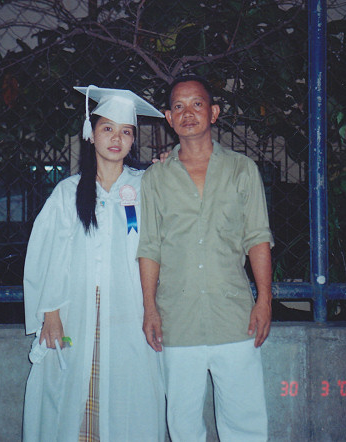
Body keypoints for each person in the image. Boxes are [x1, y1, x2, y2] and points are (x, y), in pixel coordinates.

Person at [22, 85, 166, 441]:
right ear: (91, 134)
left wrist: (169, 168)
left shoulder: (147, 186)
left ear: (133, 140)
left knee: (129, 394)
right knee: (74, 396)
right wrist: (50, 313)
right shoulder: (67, 193)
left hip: (131, 310)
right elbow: (45, 255)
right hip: (77, 310)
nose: (117, 138)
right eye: (108, 129)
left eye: (126, 131)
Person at [137, 75, 274, 441]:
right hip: (177, 321)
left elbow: (257, 237)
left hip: (235, 317)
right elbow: (149, 247)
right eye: (178, 106)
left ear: (213, 112)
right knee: (183, 425)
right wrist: (150, 308)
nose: (188, 113)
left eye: (197, 104)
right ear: (169, 118)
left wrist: (264, 300)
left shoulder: (242, 169)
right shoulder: (155, 178)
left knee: (245, 422)